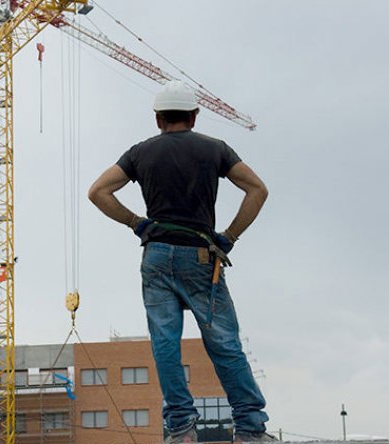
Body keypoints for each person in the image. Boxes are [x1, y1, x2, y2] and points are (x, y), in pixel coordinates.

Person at [88, 80, 273, 444]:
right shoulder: (215, 150)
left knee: (165, 343)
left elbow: (98, 191)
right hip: (202, 257)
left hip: (155, 256)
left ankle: (180, 430)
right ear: (194, 116)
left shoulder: (140, 153)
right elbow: (258, 190)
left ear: (158, 119)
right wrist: (229, 237)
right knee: (224, 343)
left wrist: (136, 223)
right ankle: (250, 429)